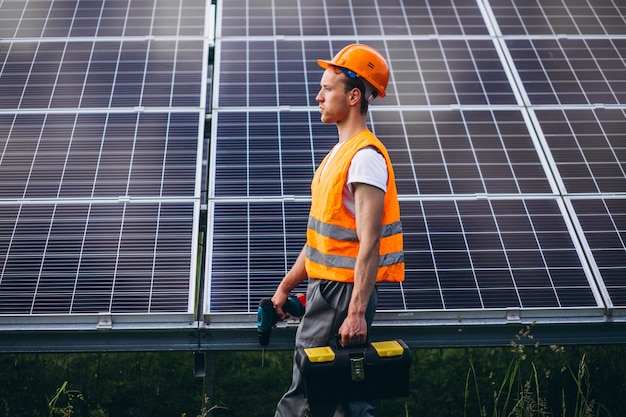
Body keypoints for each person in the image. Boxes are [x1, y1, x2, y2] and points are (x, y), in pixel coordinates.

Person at [272, 44, 405, 417]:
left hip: (340, 293)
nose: (318, 96)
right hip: (328, 288)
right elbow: (321, 239)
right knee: (344, 397)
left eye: (327, 88)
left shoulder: (364, 158)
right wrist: (287, 286)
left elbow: (369, 241)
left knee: (307, 396)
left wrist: (357, 310)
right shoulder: (339, 155)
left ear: (353, 95)